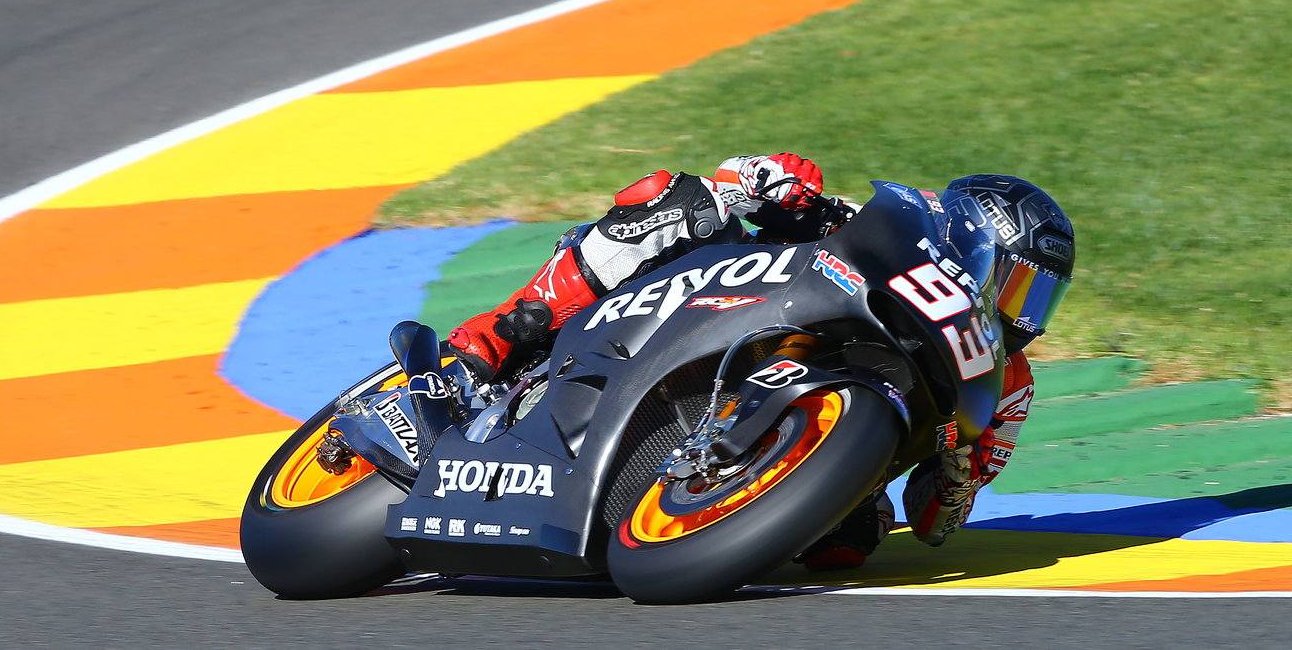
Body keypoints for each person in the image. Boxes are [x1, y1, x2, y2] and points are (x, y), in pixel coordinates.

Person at [440, 154, 1074, 571]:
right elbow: (748, 182)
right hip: (709, 313)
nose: (1021, 313)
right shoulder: (880, 233)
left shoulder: (1006, 384)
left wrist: (961, 459)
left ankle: (701, 509)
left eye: (1038, 297)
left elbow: (934, 524)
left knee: (848, 546)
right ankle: (495, 336)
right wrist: (766, 181)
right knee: (673, 200)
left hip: (812, 449)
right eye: (1015, 284)